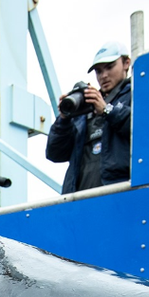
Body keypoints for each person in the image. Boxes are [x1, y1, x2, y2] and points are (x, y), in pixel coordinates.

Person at [45, 41, 133, 194]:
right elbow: (54, 153)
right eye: (98, 71)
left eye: (110, 67)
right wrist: (64, 119)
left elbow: (145, 130)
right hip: (80, 199)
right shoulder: (85, 109)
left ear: (126, 63)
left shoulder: (137, 92)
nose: (103, 75)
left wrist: (107, 110)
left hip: (118, 195)